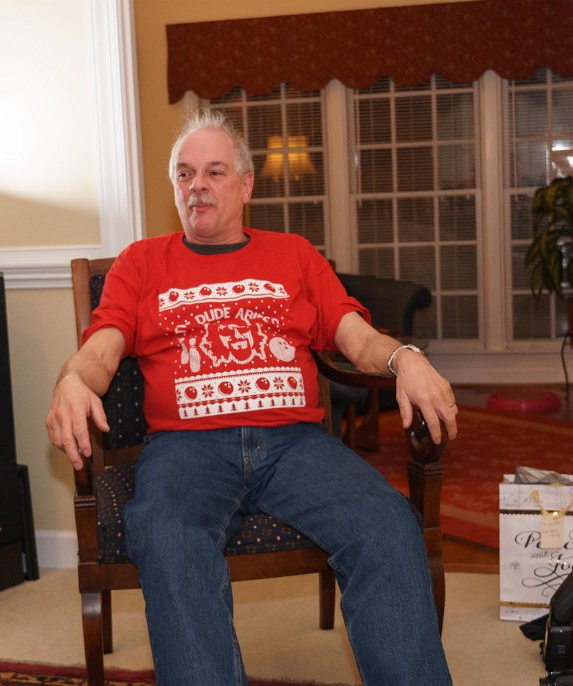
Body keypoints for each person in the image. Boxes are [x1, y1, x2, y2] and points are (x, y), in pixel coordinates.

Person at [46, 109, 458, 685]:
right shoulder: (142, 263)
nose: (197, 185)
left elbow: (358, 339)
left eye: (214, 172)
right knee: (166, 535)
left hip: (295, 445)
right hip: (186, 449)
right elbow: (100, 351)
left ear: (245, 186)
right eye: (185, 174)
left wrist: (405, 358)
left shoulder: (294, 254)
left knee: (387, 524)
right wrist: (72, 379)